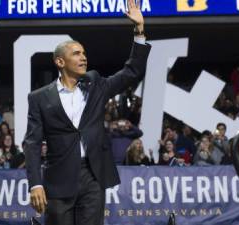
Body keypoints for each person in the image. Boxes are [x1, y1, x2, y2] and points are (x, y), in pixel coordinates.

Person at [23, 1, 150, 224]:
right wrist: (35, 183)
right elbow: (32, 143)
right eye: (76, 53)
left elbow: (132, 71)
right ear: (60, 61)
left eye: (84, 53)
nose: (83, 57)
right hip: (58, 179)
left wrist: (139, 30)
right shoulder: (39, 98)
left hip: (93, 175)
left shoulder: (96, 85)